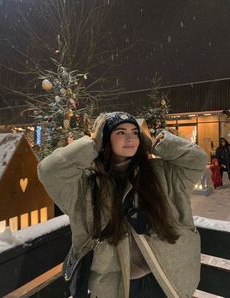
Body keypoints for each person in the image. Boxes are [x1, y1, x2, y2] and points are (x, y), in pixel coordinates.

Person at [38, 111, 207, 298]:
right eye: (120, 132)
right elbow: (49, 171)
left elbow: (197, 161)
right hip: (115, 288)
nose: (130, 138)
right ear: (105, 139)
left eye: (135, 133)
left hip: (167, 278)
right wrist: (93, 144)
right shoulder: (84, 185)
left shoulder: (161, 173)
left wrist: (159, 145)